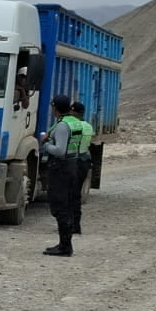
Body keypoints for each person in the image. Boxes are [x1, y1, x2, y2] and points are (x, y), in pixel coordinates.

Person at [36, 95, 78, 257]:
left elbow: (60, 150)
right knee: (66, 205)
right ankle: (64, 244)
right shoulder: (74, 122)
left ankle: (65, 246)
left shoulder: (61, 126)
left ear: (55, 108)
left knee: (59, 206)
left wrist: (46, 144)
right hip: (72, 165)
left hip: (61, 168)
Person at [66, 101, 95, 235]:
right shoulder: (88, 126)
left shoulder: (75, 127)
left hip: (75, 162)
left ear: (75, 112)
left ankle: (71, 224)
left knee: (70, 195)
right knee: (76, 194)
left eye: (71, 111)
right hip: (85, 162)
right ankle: (75, 224)